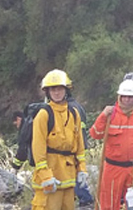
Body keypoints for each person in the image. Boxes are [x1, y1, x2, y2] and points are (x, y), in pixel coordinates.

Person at [31, 69, 88, 210]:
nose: (56, 92)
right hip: (50, 178)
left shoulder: (74, 114)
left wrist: (82, 169)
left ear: (66, 90)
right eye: (53, 89)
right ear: (48, 92)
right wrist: (45, 176)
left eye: (60, 89)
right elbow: (38, 149)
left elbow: (79, 146)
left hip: (68, 177)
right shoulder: (44, 114)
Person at [90, 80, 133, 210]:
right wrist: (103, 116)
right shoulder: (110, 115)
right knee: (108, 203)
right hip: (112, 168)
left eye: (130, 97)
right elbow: (95, 134)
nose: (127, 100)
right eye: (124, 96)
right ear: (119, 97)